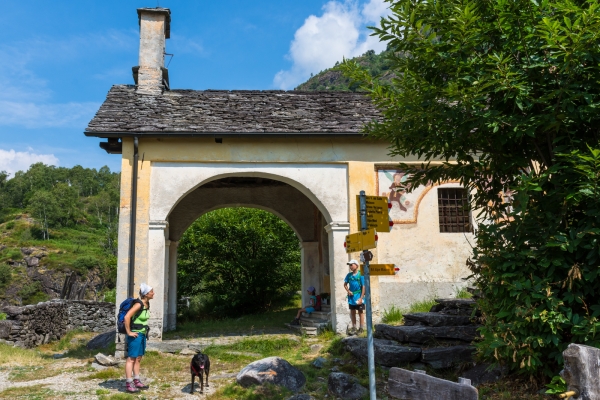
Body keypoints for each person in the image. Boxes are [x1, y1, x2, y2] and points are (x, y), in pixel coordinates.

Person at [124, 283, 154, 393]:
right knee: (131, 358)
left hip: (142, 334)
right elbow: (127, 316)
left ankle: (136, 380)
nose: (153, 293)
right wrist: (129, 332)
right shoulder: (138, 304)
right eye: (151, 292)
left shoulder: (147, 304)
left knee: (138, 358)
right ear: (146, 294)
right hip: (135, 334)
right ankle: (129, 383)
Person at [344, 260, 365, 335]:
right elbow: (345, 284)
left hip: (359, 296)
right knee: (352, 312)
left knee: (360, 312)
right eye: (349, 265)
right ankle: (354, 327)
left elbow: (363, 287)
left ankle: (361, 328)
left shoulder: (361, 275)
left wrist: (361, 298)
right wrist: (348, 291)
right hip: (352, 297)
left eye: (351, 265)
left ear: (356, 265)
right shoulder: (349, 275)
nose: (350, 266)